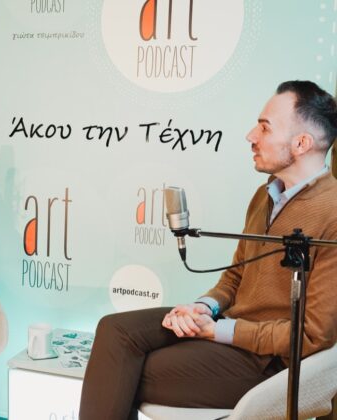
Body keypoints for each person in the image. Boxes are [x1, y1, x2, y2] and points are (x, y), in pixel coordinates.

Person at [79, 80, 337, 420]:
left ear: (301, 143)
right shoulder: (266, 196)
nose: (250, 136)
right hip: (232, 329)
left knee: (123, 370)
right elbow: (236, 277)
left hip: (270, 363)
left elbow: (312, 336)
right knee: (115, 332)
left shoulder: (332, 212)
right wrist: (203, 307)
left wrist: (217, 330)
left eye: (264, 128)